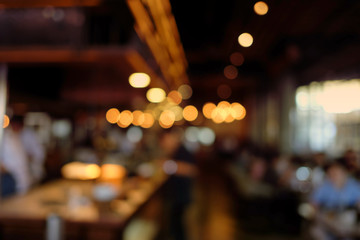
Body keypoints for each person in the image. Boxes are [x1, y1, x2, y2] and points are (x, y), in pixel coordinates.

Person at [159, 128, 197, 240]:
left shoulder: (182, 150)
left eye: (165, 140)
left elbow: (192, 170)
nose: (163, 143)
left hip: (181, 195)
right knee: (174, 223)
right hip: (176, 194)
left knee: (178, 225)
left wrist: (168, 166)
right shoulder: (175, 151)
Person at [310, 158, 360, 240]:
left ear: (344, 172)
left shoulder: (354, 185)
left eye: (336, 172)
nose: (333, 175)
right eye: (331, 172)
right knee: (316, 231)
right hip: (329, 218)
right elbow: (314, 203)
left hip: (348, 218)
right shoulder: (324, 186)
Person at [0, 115, 45, 196]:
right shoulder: (12, 136)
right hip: (22, 180)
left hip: (17, 182)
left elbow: (39, 154)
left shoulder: (7, 137)